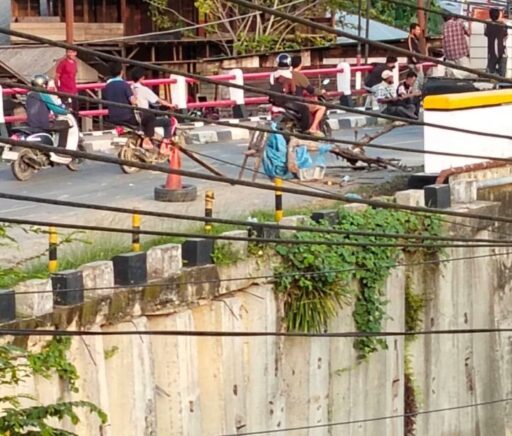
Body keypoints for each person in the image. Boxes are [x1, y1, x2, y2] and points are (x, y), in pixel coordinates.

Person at [103, 62, 153, 150]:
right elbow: (134, 101)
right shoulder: (125, 85)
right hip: (127, 117)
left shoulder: (106, 87)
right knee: (150, 117)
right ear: (121, 72)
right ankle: (146, 140)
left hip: (112, 118)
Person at [131, 67, 176, 142]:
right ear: (142, 77)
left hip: (133, 117)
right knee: (167, 122)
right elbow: (159, 101)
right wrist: (171, 105)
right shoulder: (144, 89)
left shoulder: (129, 88)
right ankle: (165, 143)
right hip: (144, 118)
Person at [25, 74, 70, 148]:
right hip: (42, 124)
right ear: (43, 84)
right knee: (65, 124)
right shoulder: (43, 94)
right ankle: (61, 148)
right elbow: (55, 109)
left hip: (32, 124)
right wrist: (66, 111)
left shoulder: (29, 94)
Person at [290, 55, 326, 136]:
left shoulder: (286, 75)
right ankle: (313, 128)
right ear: (300, 64)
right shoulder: (299, 76)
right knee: (322, 107)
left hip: (288, 102)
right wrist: (321, 92)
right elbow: (311, 90)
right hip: (298, 103)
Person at [485, 8, 507, 76]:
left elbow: (486, 34)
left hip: (492, 51)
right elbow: (505, 36)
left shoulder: (487, 25)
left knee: (490, 72)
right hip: (502, 51)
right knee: (502, 73)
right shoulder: (503, 25)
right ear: (499, 15)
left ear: (490, 15)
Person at [407, 23, 425, 91]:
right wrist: (416, 62)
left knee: (420, 81)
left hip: (417, 63)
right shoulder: (410, 39)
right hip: (414, 64)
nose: (419, 32)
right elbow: (411, 51)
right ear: (413, 30)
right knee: (416, 82)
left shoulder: (414, 39)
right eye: (417, 30)